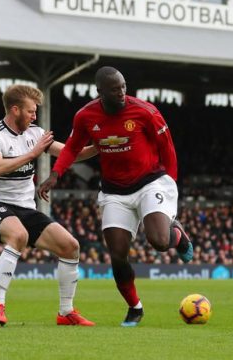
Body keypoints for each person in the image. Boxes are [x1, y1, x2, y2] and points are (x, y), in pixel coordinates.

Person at [38, 66, 193, 327]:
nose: (121, 92)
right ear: (100, 91)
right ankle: (135, 307)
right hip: (114, 191)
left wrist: (171, 183)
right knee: (118, 255)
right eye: (114, 89)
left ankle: (176, 234)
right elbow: (72, 147)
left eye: (123, 86)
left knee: (159, 241)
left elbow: (167, 147)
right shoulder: (85, 116)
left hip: (150, 182)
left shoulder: (145, 111)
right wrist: (55, 174)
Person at [0, 84, 98, 327]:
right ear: (15, 110)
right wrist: (32, 154)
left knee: (70, 246)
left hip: (25, 207)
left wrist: (100, 146)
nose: (34, 116)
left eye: (35, 112)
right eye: (30, 111)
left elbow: (71, 154)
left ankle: (66, 312)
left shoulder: (35, 133)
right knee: (18, 235)